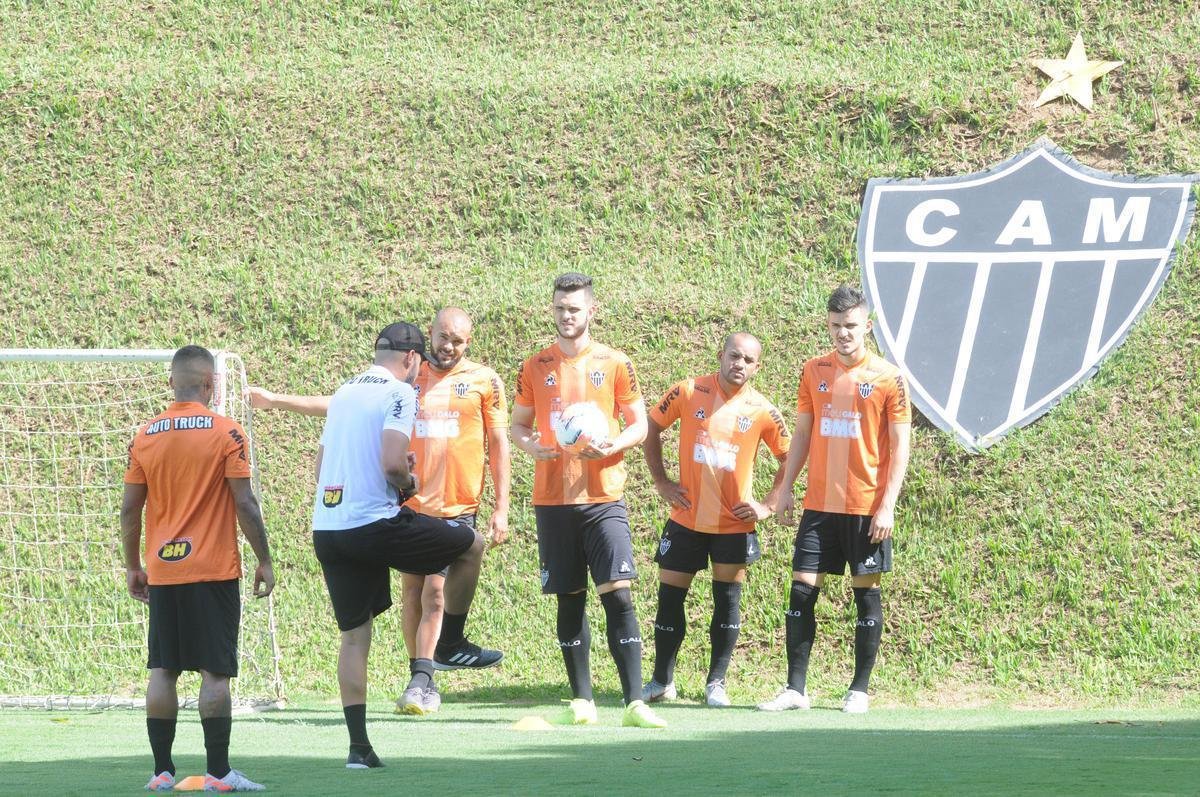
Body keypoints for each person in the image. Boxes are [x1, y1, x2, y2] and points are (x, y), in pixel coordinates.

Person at [249, 307, 509, 713]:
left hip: (456, 501)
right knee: (413, 593)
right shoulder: (408, 376)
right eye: (442, 337)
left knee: (435, 593)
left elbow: (500, 442)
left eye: (457, 341)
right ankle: (421, 675)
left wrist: (502, 505)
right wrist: (276, 401)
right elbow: (339, 404)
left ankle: (427, 673)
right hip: (409, 501)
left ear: (469, 342)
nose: (448, 346)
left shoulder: (484, 380)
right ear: (428, 335)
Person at [309, 322, 483, 767]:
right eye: (418, 365)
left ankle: (358, 748)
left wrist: (386, 474)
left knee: (354, 638)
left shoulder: (344, 392)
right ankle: (450, 643)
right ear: (410, 359)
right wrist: (406, 483)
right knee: (470, 545)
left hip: (329, 529)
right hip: (375, 525)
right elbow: (391, 464)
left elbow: (323, 467)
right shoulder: (401, 392)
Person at [510, 272, 666, 729]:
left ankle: (634, 702)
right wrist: (531, 445)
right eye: (560, 308)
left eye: (574, 308)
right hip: (553, 500)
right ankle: (583, 700)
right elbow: (517, 425)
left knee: (618, 594)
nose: (566, 316)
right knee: (569, 598)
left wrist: (613, 445)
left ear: (592, 310)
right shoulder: (535, 365)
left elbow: (639, 424)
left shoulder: (615, 363)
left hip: (603, 498)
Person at [121, 345, 275, 793]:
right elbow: (245, 502)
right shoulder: (227, 432)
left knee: (163, 669)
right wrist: (264, 559)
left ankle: (161, 772)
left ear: (172, 382)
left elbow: (130, 509)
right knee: (214, 672)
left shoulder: (145, 435)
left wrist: (133, 566)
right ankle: (219, 774)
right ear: (211, 383)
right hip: (212, 570)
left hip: (164, 571)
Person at [758, 285, 912, 715]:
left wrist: (888, 505)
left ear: (867, 326)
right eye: (835, 326)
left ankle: (859, 690)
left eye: (850, 325)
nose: (843, 333)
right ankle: (795, 689)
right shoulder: (814, 370)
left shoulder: (889, 377)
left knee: (866, 592)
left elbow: (901, 445)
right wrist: (785, 488)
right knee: (801, 590)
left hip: (865, 506)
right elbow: (802, 433)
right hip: (819, 505)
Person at [641, 333, 790, 707]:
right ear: (721, 355)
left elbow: (790, 455)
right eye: (734, 356)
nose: (740, 364)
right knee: (669, 600)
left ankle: (716, 684)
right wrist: (661, 481)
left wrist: (768, 504)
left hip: (733, 525)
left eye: (748, 360)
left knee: (726, 602)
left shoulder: (762, 409)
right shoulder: (689, 391)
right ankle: (661, 681)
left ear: (757, 367)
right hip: (686, 518)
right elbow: (651, 426)